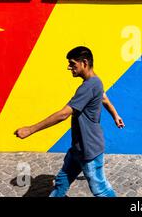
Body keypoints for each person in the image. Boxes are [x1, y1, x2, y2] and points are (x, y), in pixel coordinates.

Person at [14, 46, 125, 197]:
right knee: (62, 181)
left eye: (72, 63)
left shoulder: (88, 87)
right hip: (78, 148)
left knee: (101, 189)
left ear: (84, 63)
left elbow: (63, 114)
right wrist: (115, 115)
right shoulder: (96, 81)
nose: (69, 67)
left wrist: (30, 129)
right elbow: (104, 98)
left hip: (89, 149)